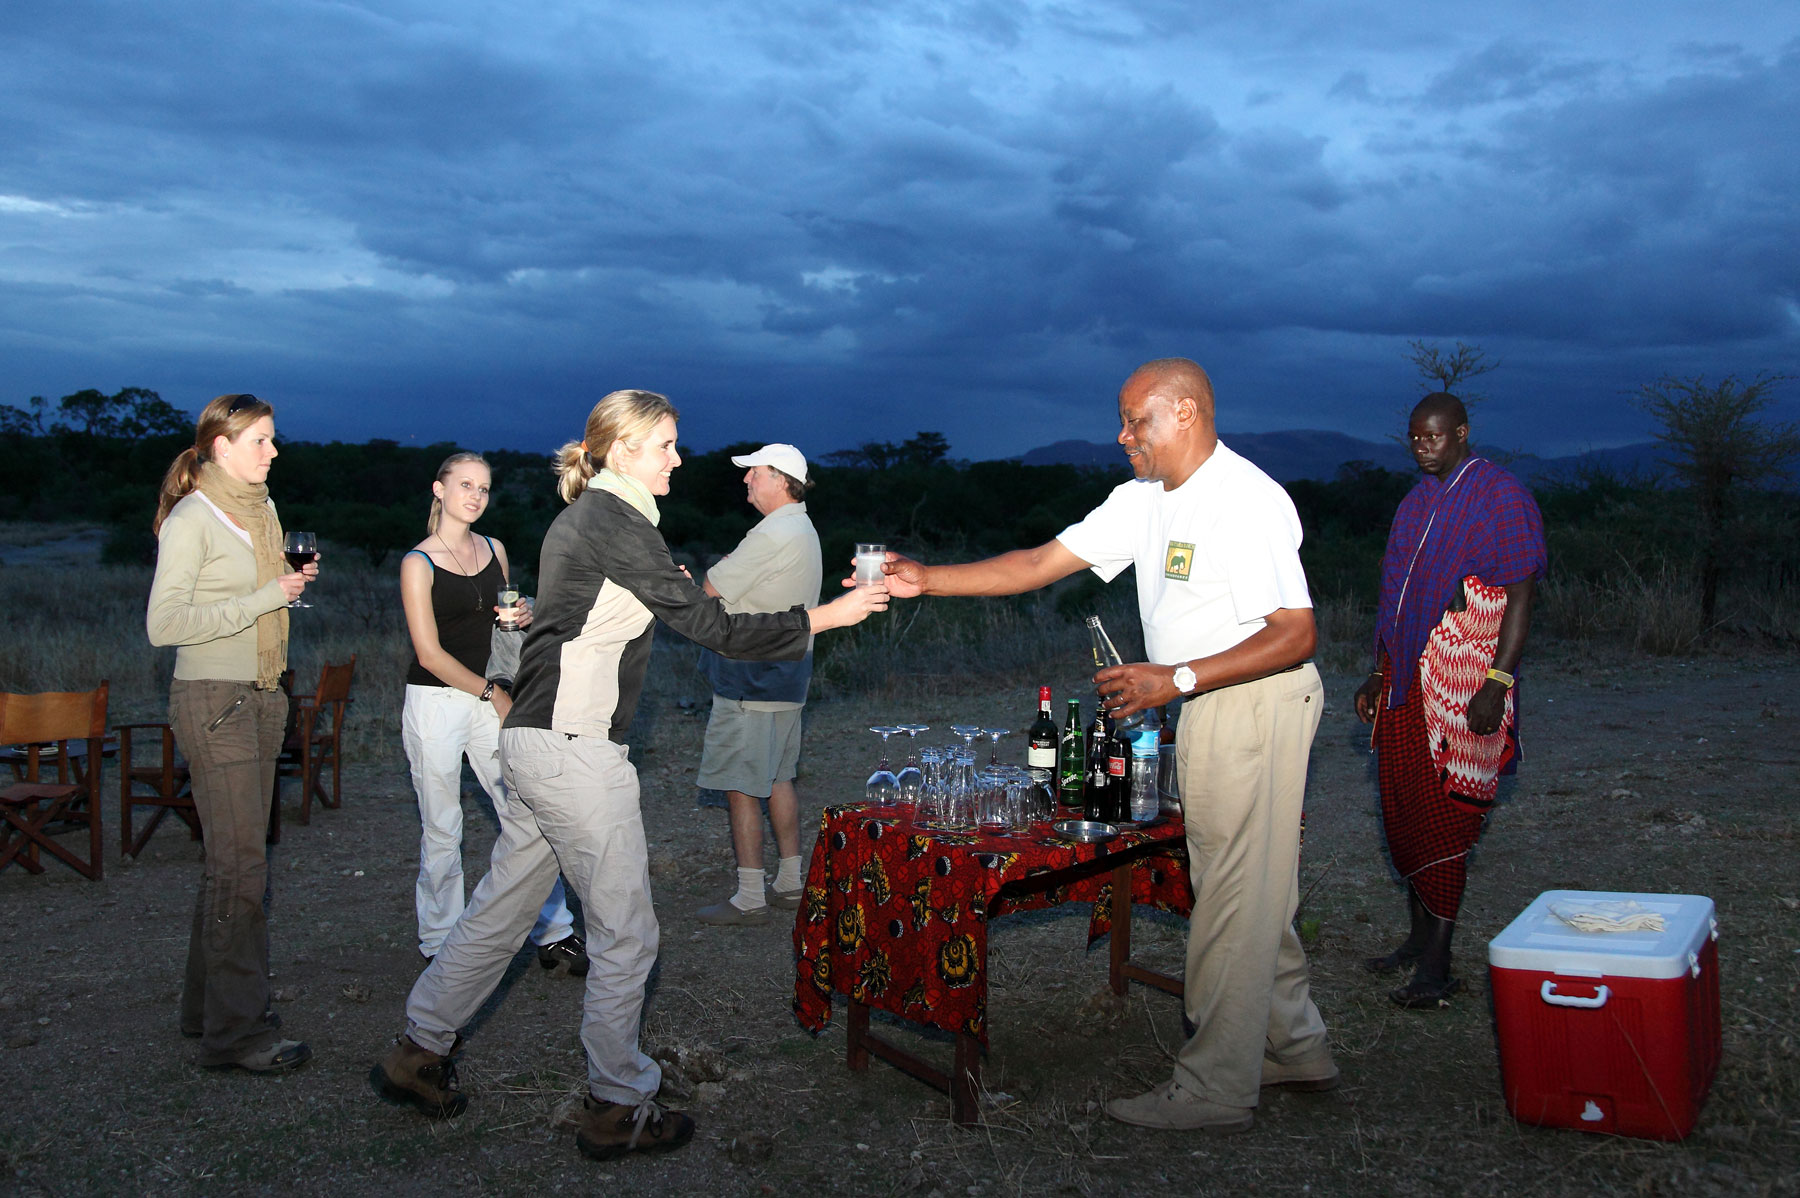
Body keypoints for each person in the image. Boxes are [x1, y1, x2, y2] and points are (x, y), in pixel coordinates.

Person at [371, 389, 888, 1163]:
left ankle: (417, 1047)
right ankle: (617, 1103)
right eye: (666, 445)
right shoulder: (613, 521)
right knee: (626, 931)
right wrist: (827, 616)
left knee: (504, 908)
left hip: (533, 740)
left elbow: (590, 614)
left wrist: (662, 584)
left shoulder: (595, 521)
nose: (679, 458)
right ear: (620, 451)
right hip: (575, 751)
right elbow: (712, 628)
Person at [877, 357, 1335, 1134]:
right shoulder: (1142, 499)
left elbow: (1296, 634)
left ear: (1186, 413)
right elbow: (1037, 563)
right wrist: (930, 579)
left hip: (1251, 704)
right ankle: (1293, 1046)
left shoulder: (1244, 499)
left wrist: (1176, 678)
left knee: (1230, 892)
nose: (1122, 436)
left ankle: (1217, 1086)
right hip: (1206, 702)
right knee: (1249, 883)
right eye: (1122, 421)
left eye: (1137, 420)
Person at [1354, 392, 1546, 1008]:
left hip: (1462, 687)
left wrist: (1499, 681)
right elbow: (1398, 603)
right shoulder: (1414, 504)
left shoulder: (1500, 495)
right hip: (1405, 683)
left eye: (1433, 436)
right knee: (1403, 812)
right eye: (1414, 438)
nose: (1422, 447)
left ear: (1462, 433)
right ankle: (1417, 941)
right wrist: (1374, 673)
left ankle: (1437, 971)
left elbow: (1520, 595)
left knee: (1445, 821)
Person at [146, 393, 318, 1073]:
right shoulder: (193, 518)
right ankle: (238, 1034)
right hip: (214, 701)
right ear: (221, 445)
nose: (273, 452)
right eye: (260, 441)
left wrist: (286, 588)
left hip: (263, 695)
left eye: (273, 440)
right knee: (242, 868)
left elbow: (261, 595)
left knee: (234, 860)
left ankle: (205, 1010)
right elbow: (164, 626)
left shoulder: (263, 510)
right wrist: (266, 597)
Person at [399, 452, 588, 973]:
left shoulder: (494, 549)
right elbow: (429, 654)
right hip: (437, 702)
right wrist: (492, 694)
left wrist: (522, 611)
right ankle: (440, 943)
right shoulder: (418, 562)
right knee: (442, 824)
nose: (476, 496)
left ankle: (552, 930)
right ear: (439, 490)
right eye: (465, 485)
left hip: (488, 694)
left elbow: (502, 625)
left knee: (521, 813)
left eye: (483, 488)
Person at [692, 443, 823, 926]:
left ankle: (748, 896)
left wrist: (712, 572)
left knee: (741, 785)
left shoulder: (771, 533)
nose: (747, 480)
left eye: (755, 473)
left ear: (780, 479)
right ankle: (790, 881)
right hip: (787, 675)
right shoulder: (802, 527)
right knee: (777, 776)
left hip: (750, 677)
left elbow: (709, 589)